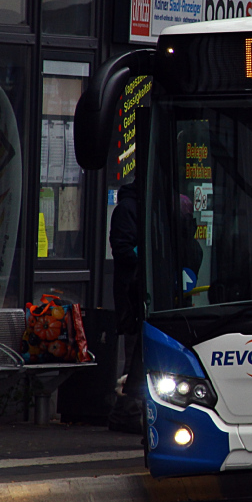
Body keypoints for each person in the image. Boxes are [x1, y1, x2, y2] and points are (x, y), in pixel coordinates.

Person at [107, 183, 143, 433]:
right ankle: (125, 412)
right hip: (133, 291)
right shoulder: (128, 209)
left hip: (137, 290)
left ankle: (124, 412)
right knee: (133, 354)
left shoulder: (134, 207)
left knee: (135, 355)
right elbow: (122, 250)